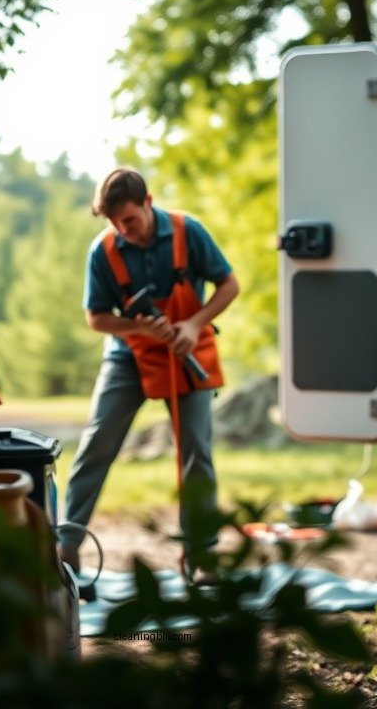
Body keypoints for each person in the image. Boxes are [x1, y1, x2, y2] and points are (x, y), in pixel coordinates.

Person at [57, 167, 239, 580]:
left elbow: (229, 284)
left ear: (148, 203)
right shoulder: (103, 251)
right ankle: (66, 547)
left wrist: (195, 324)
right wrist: (138, 327)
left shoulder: (187, 231)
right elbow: (97, 318)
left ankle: (201, 558)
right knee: (97, 443)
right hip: (129, 358)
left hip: (186, 349)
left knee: (197, 454)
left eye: (129, 220)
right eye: (114, 223)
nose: (123, 230)